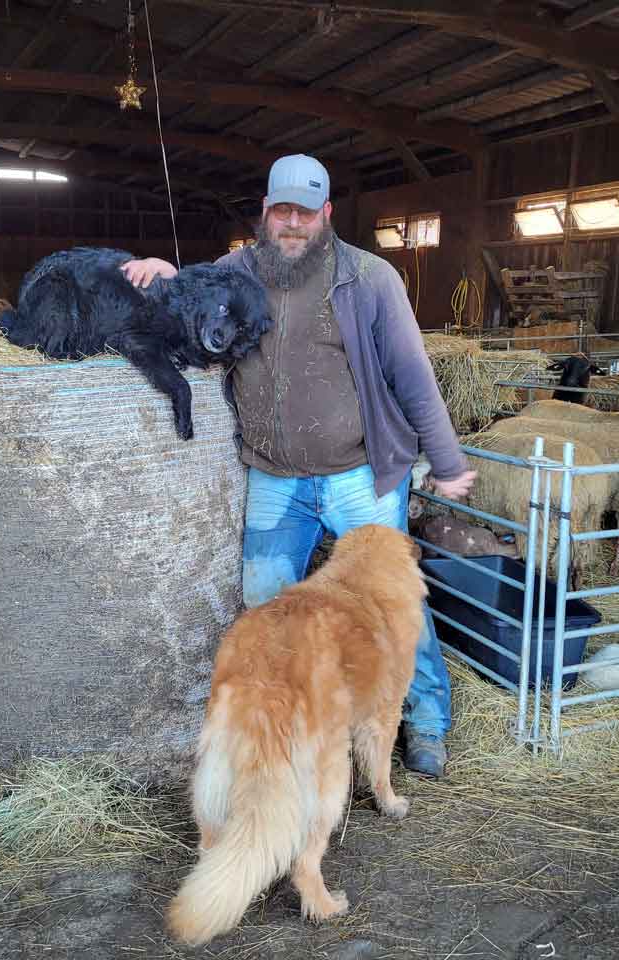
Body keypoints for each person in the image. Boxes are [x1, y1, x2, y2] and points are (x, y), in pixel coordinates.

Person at [122, 154, 476, 777]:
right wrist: (163, 272)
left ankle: (426, 721)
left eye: (304, 213)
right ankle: (292, 722)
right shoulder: (236, 271)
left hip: (359, 476)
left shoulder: (368, 279)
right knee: (267, 608)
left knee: (393, 607)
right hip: (275, 477)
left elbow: (413, 377)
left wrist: (446, 462)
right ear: (264, 212)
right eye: (281, 210)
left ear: (326, 215)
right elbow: (189, 295)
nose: (292, 224)